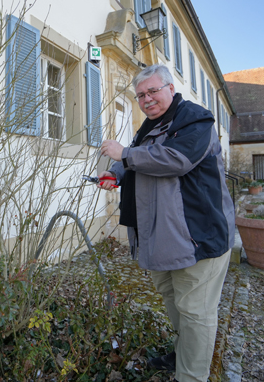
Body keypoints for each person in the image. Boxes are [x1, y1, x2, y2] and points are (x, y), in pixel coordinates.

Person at [98, 64, 234, 382]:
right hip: (160, 237)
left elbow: (175, 159)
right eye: (141, 95)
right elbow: (137, 160)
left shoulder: (194, 120)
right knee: (175, 303)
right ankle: (183, 354)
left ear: (170, 89)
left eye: (153, 91)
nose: (146, 99)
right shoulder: (150, 127)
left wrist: (125, 155)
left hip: (198, 236)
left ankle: (192, 375)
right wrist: (114, 173)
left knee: (196, 312)